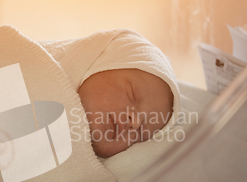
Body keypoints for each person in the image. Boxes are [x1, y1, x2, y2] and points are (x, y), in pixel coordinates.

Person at [39, 29, 180, 158]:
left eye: (141, 133)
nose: (135, 122)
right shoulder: (28, 67)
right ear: (97, 62)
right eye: (132, 95)